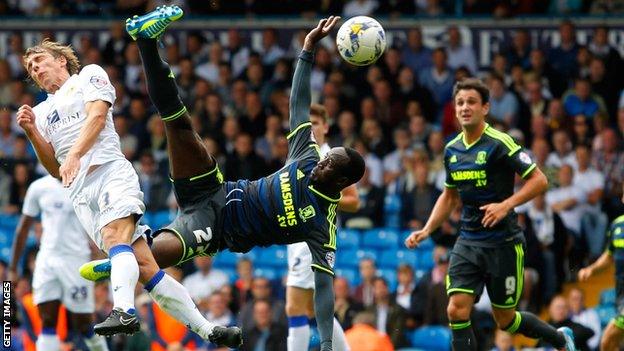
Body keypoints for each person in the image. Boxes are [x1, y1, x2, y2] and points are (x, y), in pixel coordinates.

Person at [81, 9, 364, 351]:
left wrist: (328, 343)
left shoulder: (323, 225)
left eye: (329, 165)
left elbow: (324, 288)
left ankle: (119, 262)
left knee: (152, 261)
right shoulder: (307, 154)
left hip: (215, 229)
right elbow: (299, 103)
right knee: (178, 123)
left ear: (342, 180)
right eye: (324, 158)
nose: (321, 163)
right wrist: (307, 48)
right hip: (215, 188)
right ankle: (146, 40)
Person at [17, 16, 234, 346]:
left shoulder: (89, 75)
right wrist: (32, 132)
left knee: (115, 235)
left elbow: (98, 116)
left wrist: (74, 155)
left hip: (109, 173)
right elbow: (52, 168)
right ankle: (209, 330)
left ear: (60, 59)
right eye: (30, 68)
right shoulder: (42, 112)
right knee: (145, 265)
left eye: (39, 61)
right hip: (80, 194)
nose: (35, 69)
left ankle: (124, 309)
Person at [404, 77, 577, 351]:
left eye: (471, 102)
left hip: (503, 243)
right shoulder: (452, 150)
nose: (464, 107)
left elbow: (540, 181)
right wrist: (427, 229)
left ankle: (560, 339)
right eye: (460, 102)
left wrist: (506, 204)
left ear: (485, 107)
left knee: (505, 320)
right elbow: (449, 196)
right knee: (456, 310)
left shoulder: (500, 142)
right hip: (468, 241)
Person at [285, 103, 359, 351]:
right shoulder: (301, 154)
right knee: (310, 308)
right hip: (296, 236)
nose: (311, 129)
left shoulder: (333, 158)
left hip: (313, 236)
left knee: (293, 306)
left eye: (315, 123)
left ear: (326, 127)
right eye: (307, 125)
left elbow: (354, 201)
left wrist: (326, 197)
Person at [9, 175, 109, 351]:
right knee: (47, 320)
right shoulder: (38, 187)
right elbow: (23, 228)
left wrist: (101, 255)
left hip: (76, 260)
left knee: (84, 325)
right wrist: (13, 268)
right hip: (47, 259)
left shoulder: (85, 183)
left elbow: (97, 224)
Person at [578, 213, 624, 351]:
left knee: (608, 339)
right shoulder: (617, 224)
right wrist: (591, 269)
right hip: (621, 293)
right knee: (609, 344)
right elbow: (609, 255)